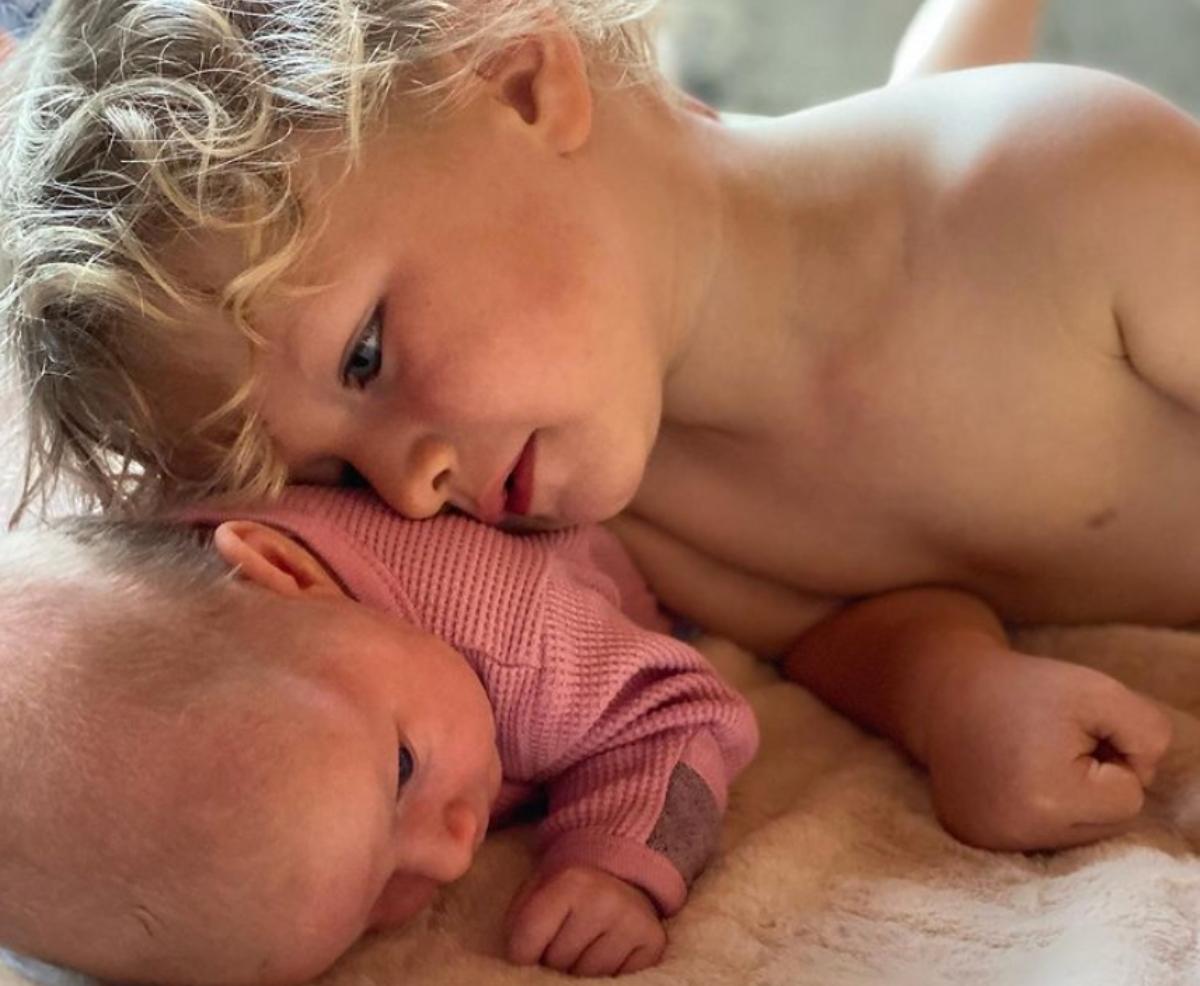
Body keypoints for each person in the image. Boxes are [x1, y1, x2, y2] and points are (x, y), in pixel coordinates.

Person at [0, 0, 1187, 852]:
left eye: (365, 353)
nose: (411, 489)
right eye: (332, 471)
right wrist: (957, 692)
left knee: (940, 91)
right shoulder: (629, 492)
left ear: (522, 78)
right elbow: (844, 608)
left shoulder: (1064, 193)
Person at [0, 485, 757, 985]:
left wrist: (614, 866)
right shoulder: (271, 660)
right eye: (371, 901)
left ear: (283, 570)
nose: (456, 851)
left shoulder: (519, 640)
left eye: (402, 769)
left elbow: (677, 708)